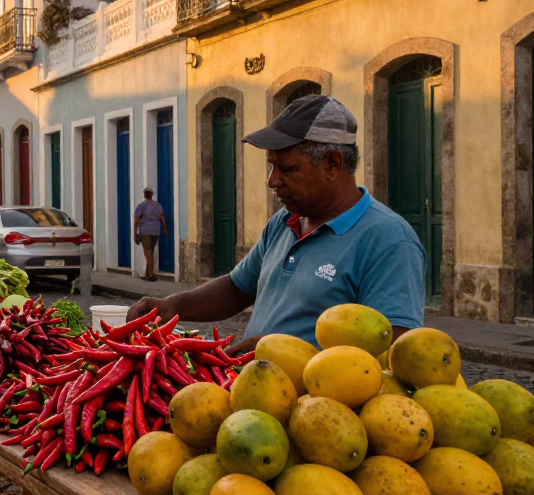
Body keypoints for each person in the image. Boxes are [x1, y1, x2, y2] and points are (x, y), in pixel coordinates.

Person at [126, 95, 426, 353]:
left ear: (332, 164)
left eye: (287, 168)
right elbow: (237, 288)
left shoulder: (389, 241)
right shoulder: (284, 222)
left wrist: (280, 352)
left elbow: (393, 349)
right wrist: (173, 306)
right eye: (271, 166)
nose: (272, 181)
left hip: (320, 414)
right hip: (258, 401)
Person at [133, 187, 168, 282]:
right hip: (155, 231)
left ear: (144, 195)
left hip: (145, 232)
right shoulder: (158, 205)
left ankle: (151, 276)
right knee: (151, 252)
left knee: (148, 253)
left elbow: (136, 221)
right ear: (151, 195)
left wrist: (135, 234)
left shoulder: (141, 206)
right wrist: (164, 228)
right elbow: (162, 218)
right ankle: (148, 274)